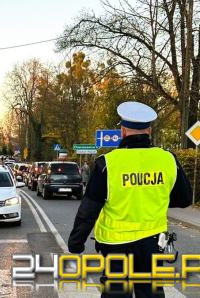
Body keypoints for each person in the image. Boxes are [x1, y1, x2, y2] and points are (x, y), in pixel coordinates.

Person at [68, 101, 193, 297]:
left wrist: (76, 241)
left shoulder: (107, 164)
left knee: (116, 292)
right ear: (149, 131)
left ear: (123, 131)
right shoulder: (168, 159)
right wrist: (153, 195)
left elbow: (89, 209)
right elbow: (184, 199)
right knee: (150, 291)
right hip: (152, 243)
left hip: (116, 246)